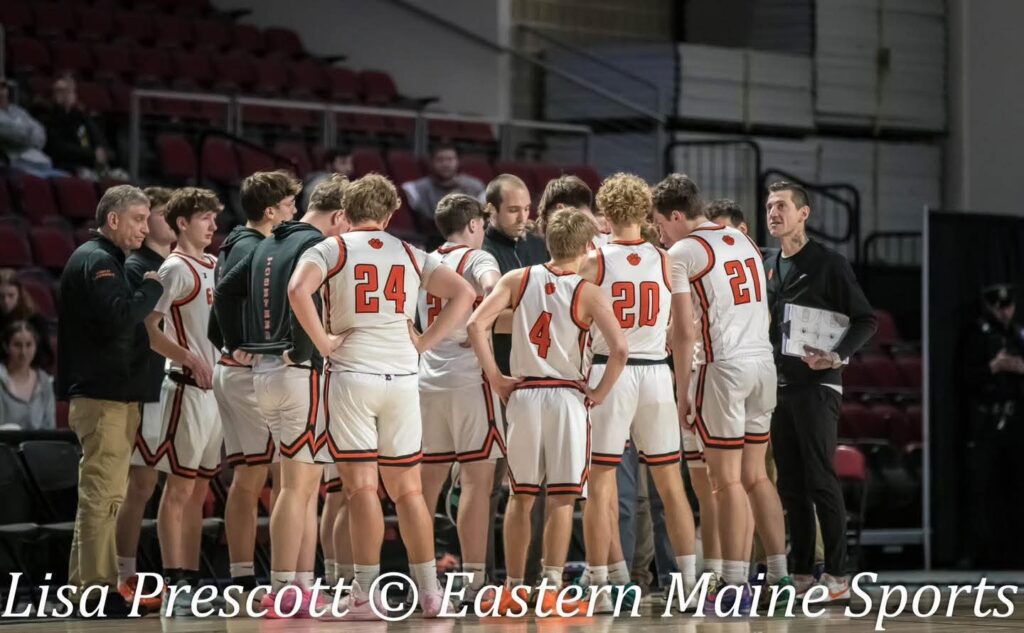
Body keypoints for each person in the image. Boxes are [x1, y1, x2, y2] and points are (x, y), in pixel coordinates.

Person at [289, 173, 476, 619]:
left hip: (353, 375)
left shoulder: (330, 248)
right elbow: (465, 293)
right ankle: (430, 593)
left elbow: (298, 290)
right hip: (403, 377)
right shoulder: (411, 252)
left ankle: (365, 594)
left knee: (361, 489)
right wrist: (424, 342)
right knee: (409, 490)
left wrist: (322, 342)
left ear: (344, 213)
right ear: (392, 213)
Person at [467, 207, 628, 614]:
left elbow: (475, 325)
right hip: (567, 397)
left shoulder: (517, 278)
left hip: (524, 394)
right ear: (588, 246)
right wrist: (600, 393)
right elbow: (620, 350)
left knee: (520, 497)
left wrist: (496, 377)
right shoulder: (589, 291)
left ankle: (515, 588)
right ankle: (552, 586)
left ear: (548, 242)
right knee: (562, 498)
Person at [653, 173, 793, 614]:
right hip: (762, 364)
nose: (659, 232)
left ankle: (733, 584)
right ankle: (779, 574)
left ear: (676, 216)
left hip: (722, 367)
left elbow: (682, 330)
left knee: (726, 481)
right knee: (757, 477)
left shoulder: (682, 251)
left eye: (660, 223)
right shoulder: (743, 240)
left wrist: (681, 392)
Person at [216, 171, 348, 618]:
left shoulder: (266, 242)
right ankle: (281, 589)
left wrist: (234, 340)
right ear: (340, 216)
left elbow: (224, 292)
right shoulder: (315, 246)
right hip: (296, 372)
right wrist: (305, 345)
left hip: (265, 374)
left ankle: (302, 586)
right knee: (295, 487)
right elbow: (298, 295)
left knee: (302, 487)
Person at [577, 174, 697, 612]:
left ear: (604, 215)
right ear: (647, 213)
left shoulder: (592, 260)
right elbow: (686, 325)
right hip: (656, 374)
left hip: (611, 370)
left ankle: (608, 584)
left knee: (602, 482)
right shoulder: (667, 260)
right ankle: (688, 584)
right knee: (670, 485)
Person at [763, 180, 877, 600]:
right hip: (781, 385)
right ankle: (801, 572)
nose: (773, 213)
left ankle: (839, 575)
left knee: (819, 477)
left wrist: (834, 356)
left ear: (803, 213)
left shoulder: (829, 263)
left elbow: (865, 320)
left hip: (818, 385)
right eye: (769, 206)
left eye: (781, 206)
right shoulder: (770, 263)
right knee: (790, 482)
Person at [58, 185, 163, 616]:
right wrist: (152, 289)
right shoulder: (97, 259)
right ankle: (94, 591)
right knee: (101, 497)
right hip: (102, 395)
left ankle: (89, 586)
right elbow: (120, 317)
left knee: (105, 497)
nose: (144, 227)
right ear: (113, 219)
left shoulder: (104, 259)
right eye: (138, 218)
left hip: (112, 395)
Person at [211, 171, 300, 594]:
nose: (295, 211)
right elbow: (227, 303)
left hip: (230, 369)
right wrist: (236, 342)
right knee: (271, 476)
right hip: (247, 372)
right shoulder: (260, 247)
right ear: (270, 211)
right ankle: (275, 580)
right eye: (288, 205)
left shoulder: (234, 243)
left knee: (248, 476)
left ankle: (243, 576)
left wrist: (227, 342)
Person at [135, 188, 222, 615]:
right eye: (205, 218)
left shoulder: (214, 265)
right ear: (182, 222)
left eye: (214, 218)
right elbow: (149, 330)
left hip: (213, 393)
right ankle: (175, 582)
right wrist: (188, 356)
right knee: (178, 489)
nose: (213, 226)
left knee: (199, 491)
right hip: (185, 387)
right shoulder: (174, 268)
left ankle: (192, 577)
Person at [415, 193, 503, 604]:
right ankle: (474, 580)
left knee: (423, 486)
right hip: (469, 381)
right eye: (482, 225)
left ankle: (423, 580)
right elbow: (491, 291)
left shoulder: (423, 261)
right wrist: (478, 323)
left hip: (426, 378)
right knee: (475, 482)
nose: (483, 231)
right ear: (472, 225)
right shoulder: (479, 260)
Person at [480, 173, 548, 582]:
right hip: (494, 379)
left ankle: (534, 573)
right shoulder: (483, 251)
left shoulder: (540, 246)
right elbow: (486, 319)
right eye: (514, 210)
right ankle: (483, 574)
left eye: (527, 208)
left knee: (534, 484)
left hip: (536, 380)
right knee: (487, 482)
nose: (524, 217)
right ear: (490, 210)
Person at [115, 186, 175, 611]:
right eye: (163, 213)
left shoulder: (173, 263)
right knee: (140, 483)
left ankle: (160, 573)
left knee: (164, 484)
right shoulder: (137, 265)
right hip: (144, 381)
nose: (170, 219)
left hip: (168, 383)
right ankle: (124, 574)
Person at [962, 283, 1024, 567]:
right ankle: (983, 553)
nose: (1005, 312)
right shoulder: (977, 334)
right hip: (986, 419)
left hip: (1015, 419)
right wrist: (994, 367)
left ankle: (1014, 551)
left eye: (1008, 306)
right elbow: (963, 378)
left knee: (1015, 487)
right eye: (999, 306)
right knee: (984, 487)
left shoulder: (1018, 335)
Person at [41, 75, 124, 180]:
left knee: (121, 178)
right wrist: (91, 154)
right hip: (66, 165)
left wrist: (100, 149)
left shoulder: (80, 116)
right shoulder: (48, 119)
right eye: (61, 91)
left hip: (89, 163)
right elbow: (60, 148)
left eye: (69, 91)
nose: (66, 95)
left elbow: (97, 137)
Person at [402, 143, 485, 245]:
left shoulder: (475, 188)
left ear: (457, 161)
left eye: (450, 159)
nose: (445, 164)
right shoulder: (418, 189)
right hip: (430, 243)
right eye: (440, 160)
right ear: (432, 162)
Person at [0, 77, 63, 177]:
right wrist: (29, 132)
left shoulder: (18, 111)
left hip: (42, 163)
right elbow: (13, 135)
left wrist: (25, 133)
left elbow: (41, 134)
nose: (2, 91)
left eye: (3, 86)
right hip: (18, 166)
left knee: (73, 182)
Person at [0, 320, 55, 430]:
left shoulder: (44, 381)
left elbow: (50, 427)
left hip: (38, 446)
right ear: (6, 346)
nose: (23, 352)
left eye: (29, 345)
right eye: (17, 345)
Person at [0, 268, 54, 370]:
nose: (6, 301)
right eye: (1, 296)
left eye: (11, 296)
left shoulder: (35, 320)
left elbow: (45, 357)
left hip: (30, 372)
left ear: (19, 294)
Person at [301, 145, 353, 212]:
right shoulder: (317, 186)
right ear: (329, 165)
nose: (349, 168)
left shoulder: (345, 184)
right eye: (343, 163)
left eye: (350, 163)